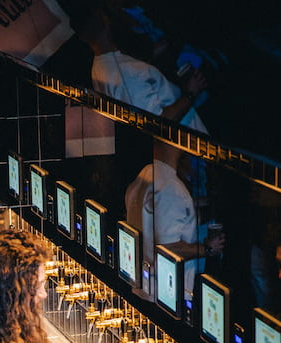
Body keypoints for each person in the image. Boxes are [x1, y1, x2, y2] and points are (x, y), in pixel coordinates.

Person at [70, 2, 208, 133]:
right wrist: (190, 93)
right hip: (189, 147)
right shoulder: (123, 73)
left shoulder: (102, 67)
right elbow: (156, 124)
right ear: (105, 20)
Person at [124, 140, 224, 298]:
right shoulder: (172, 189)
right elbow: (169, 248)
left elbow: (158, 218)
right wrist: (208, 248)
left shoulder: (146, 173)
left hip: (145, 286)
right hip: (166, 293)